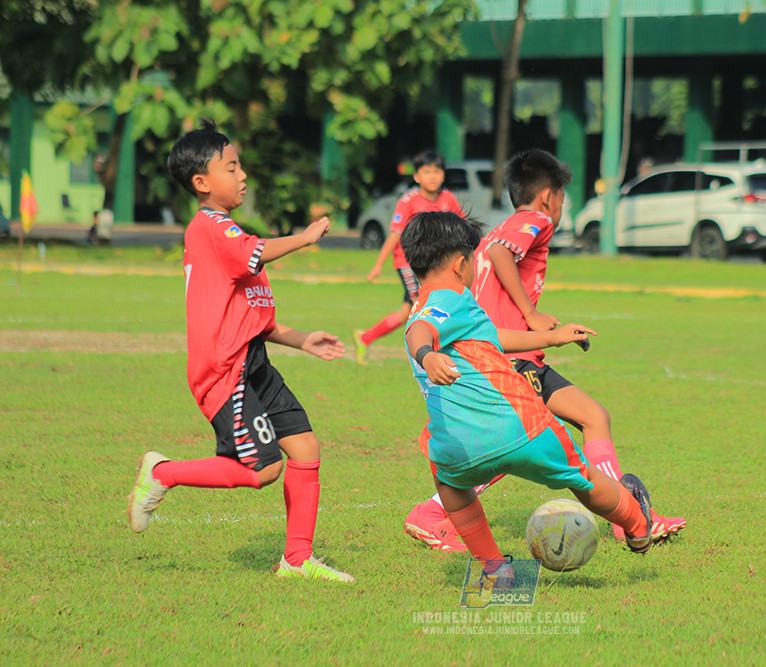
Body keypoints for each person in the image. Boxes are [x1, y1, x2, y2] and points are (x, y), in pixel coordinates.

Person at [404, 149, 685, 552]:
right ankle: (432, 512)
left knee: (591, 417)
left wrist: (552, 337)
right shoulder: (534, 220)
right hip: (502, 367)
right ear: (549, 196)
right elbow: (495, 260)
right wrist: (531, 313)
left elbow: (481, 311)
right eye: (562, 199)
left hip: (510, 353)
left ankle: (628, 522)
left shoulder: (497, 232)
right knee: (517, 445)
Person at [126, 120, 353, 582]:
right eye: (231, 166)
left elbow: (253, 319)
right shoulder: (211, 228)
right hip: (224, 370)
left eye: (241, 165)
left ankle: (296, 561)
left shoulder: (227, 232)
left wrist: (302, 339)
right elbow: (258, 253)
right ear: (202, 183)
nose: (243, 174)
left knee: (305, 449)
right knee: (261, 470)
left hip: (253, 363)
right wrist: (306, 238)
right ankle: (164, 472)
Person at [400, 211, 655, 584]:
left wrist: (552, 337)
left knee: (450, 486)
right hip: (520, 427)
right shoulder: (447, 301)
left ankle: (494, 568)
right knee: (580, 476)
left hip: (456, 446)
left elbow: (490, 338)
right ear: (460, 264)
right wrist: (428, 355)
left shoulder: (425, 306)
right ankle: (636, 524)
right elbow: (420, 333)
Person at [354, 151, 462, 365]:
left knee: (406, 313)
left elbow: (460, 228)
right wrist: (378, 265)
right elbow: (395, 234)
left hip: (432, 264)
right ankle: (433, 355)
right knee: (423, 305)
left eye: (437, 171)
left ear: (443, 175)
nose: (432, 176)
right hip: (408, 263)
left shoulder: (448, 199)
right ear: (417, 176)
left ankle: (364, 338)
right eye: (426, 171)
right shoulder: (408, 201)